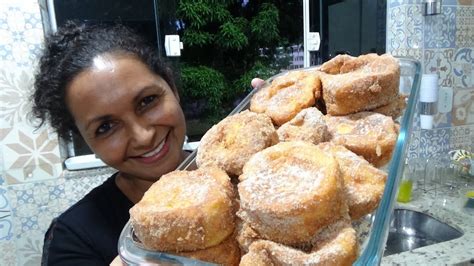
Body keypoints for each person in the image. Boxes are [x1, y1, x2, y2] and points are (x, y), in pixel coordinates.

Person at [32, 21, 265, 265]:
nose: (143, 136)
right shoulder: (73, 238)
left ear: (172, 88)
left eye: (147, 101)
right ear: (85, 140)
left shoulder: (247, 174)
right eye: (106, 127)